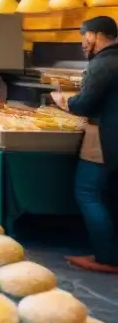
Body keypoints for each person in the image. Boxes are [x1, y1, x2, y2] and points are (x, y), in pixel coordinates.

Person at [52, 16, 118, 273]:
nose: (82, 41)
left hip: (106, 139)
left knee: (88, 193)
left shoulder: (102, 64)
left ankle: (106, 257)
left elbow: (84, 104)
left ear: (96, 35)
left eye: (84, 35)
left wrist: (64, 101)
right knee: (111, 196)